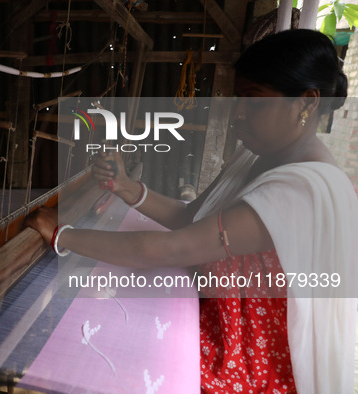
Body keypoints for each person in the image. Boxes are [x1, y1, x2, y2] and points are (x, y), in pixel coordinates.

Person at [26, 29, 358, 394]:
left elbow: (173, 248)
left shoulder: (302, 192)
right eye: (238, 99)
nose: (239, 114)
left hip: (248, 367)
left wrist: (64, 234)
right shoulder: (259, 157)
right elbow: (193, 219)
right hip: (222, 327)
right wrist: (126, 188)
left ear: (307, 102)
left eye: (254, 100)